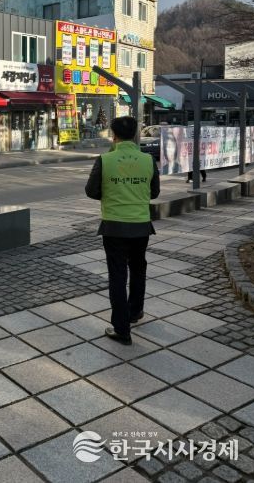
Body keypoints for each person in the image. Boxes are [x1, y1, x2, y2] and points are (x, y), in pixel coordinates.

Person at [85, 116, 160, 345]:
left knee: (117, 275)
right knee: (138, 269)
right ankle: (135, 311)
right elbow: (154, 192)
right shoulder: (148, 160)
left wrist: (111, 194)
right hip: (141, 225)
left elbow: (91, 190)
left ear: (114, 135)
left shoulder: (105, 160)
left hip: (114, 225)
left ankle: (122, 329)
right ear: (136, 134)